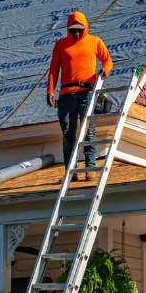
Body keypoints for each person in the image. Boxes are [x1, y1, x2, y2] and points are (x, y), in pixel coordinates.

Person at [46, 11, 112, 181]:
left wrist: (105, 71)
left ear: (85, 28)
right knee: (68, 134)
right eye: (73, 29)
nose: (76, 33)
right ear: (68, 29)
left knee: (88, 131)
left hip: (86, 92)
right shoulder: (61, 44)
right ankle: (70, 171)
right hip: (66, 94)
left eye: (79, 29)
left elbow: (108, 60)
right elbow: (54, 69)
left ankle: (90, 167)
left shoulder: (94, 41)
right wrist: (50, 90)